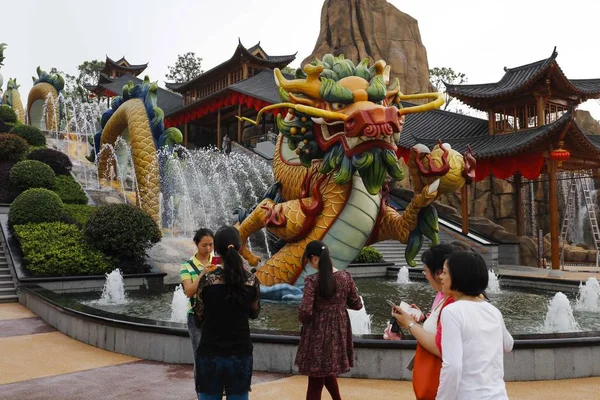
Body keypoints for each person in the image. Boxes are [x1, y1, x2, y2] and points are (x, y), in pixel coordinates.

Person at [435, 251, 513, 399]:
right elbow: (508, 344)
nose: (440, 277)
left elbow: (453, 366)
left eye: (444, 272)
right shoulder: (493, 311)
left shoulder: (452, 312)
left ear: (458, 277)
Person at [194, 226, 260, 400]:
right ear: (239, 248)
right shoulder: (252, 281)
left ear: (217, 251)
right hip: (240, 353)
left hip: (210, 353)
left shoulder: (208, 281)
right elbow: (254, 313)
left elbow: (198, 315)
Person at [295, 241, 363, 400]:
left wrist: (303, 319)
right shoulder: (345, 277)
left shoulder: (312, 280)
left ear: (314, 258)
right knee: (326, 371)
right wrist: (338, 307)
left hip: (317, 334)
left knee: (315, 380)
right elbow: (357, 304)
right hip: (338, 333)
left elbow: (305, 311)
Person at [392, 244, 456, 400]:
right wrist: (421, 319)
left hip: (441, 384)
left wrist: (410, 324)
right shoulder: (445, 299)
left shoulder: (452, 303)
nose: (426, 275)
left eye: (426, 270)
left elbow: (441, 348)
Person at [180, 228, 214, 383]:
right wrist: (202, 274)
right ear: (196, 244)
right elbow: (188, 291)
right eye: (204, 245)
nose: (208, 249)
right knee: (200, 357)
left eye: (211, 245)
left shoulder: (218, 262)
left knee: (217, 356)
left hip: (216, 316)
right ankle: (202, 393)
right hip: (196, 317)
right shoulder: (186, 266)